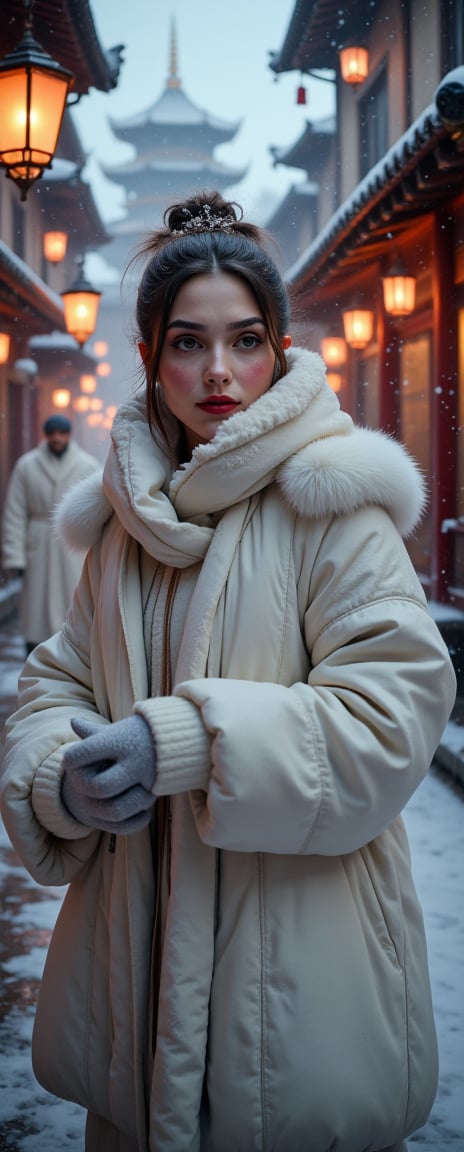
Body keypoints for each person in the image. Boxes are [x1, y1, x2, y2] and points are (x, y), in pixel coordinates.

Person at [0, 190, 456, 1152]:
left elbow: (393, 711)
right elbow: (56, 683)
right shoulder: (125, 525)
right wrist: (62, 781)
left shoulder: (333, 506)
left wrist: (185, 742)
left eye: (246, 340)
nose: (219, 372)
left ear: (281, 349)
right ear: (149, 359)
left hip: (297, 978)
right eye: (187, 342)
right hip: (134, 984)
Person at [1, 413, 99, 656]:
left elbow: (98, 508)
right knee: (36, 608)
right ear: (45, 436)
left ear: (69, 435)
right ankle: (35, 651)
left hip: (72, 543)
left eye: (61, 433)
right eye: (52, 433)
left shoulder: (87, 465)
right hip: (39, 543)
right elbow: (15, 512)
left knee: (73, 600)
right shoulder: (27, 465)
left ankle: (72, 650)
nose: (57, 438)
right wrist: (14, 556)